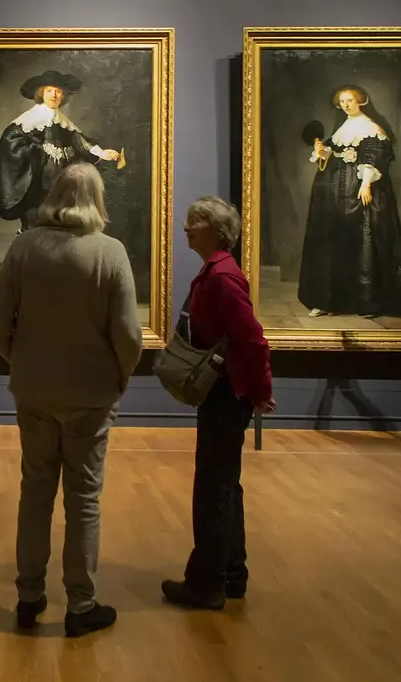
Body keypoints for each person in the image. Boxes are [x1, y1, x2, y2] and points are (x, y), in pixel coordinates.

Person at [0, 163, 142, 638]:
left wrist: (21, 359)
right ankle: (80, 603)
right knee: (84, 499)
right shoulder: (109, 252)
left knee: (34, 494)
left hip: (33, 391)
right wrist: (120, 375)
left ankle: (29, 595)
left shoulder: (24, 247)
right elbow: (128, 335)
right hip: (91, 394)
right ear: (98, 199)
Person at [162, 196, 274, 611]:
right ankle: (231, 574)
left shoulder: (223, 276)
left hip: (226, 392)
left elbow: (252, 339)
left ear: (217, 230)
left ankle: (207, 583)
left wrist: (260, 390)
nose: (186, 227)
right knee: (224, 483)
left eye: (196, 221)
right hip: (227, 391)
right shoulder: (216, 271)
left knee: (213, 488)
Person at [298, 85, 401, 318]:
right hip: (335, 193)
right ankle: (329, 301)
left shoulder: (371, 128)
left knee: (363, 240)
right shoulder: (343, 128)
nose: (346, 105)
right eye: (343, 101)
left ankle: (367, 302)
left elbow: (375, 157)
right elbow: (334, 153)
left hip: (358, 190)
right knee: (332, 241)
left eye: (350, 100)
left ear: (360, 101)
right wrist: (323, 151)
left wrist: (366, 183)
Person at [0, 70, 123, 232]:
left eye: (58, 91)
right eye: (49, 91)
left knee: (58, 220)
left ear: (63, 95)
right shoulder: (29, 119)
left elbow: (81, 143)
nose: (54, 95)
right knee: (34, 220)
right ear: (41, 93)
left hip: (59, 179)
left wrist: (103, 153)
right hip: (36, 180)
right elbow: (11, 142)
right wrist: (37, 152)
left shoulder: (62, 121)